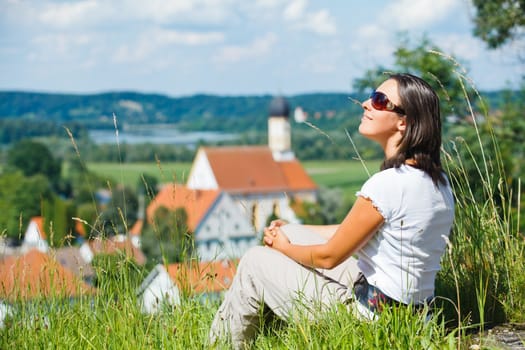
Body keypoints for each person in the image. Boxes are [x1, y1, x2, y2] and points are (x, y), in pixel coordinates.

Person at [208, 73, 455, 349]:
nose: (366, 103)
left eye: (379, 100)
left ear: (403, 122)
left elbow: (328, 257)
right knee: (288, 232)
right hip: (413, 316)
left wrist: (284, 248)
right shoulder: (437, 182)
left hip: (368, 321)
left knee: (255, 261)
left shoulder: (388, 184)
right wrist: (288, 232)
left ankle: (221, 345)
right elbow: (352, 232)